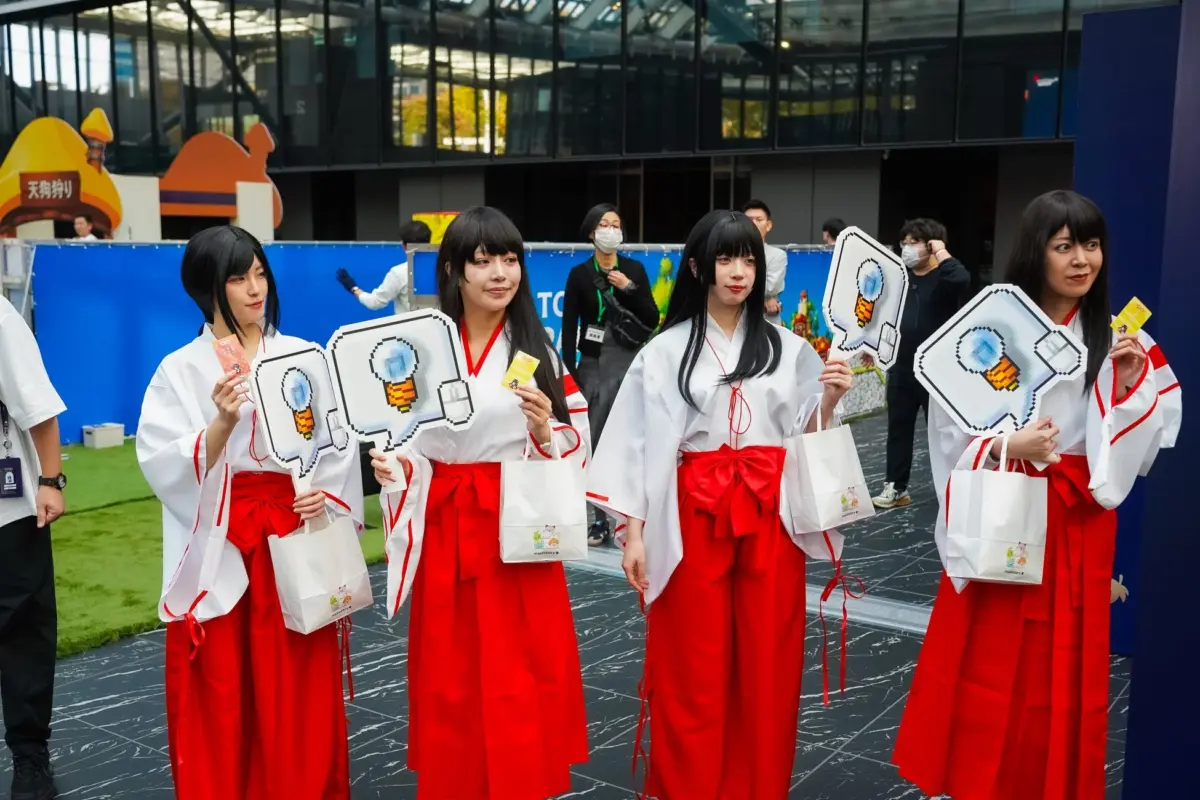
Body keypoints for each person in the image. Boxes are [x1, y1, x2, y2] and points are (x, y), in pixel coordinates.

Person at [892, 190, 1182, 799]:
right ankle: (979, 782)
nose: (1082, 260)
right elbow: (947, 426)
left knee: (1066, 666)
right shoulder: (990, 327)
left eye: (1092, 244)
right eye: (1064, 246)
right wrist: (1003, 446)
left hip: (1077, 517)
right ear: (1036, 252)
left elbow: (1153, 433)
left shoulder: (1119, 335)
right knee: (992, 658)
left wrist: (1127, 387)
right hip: (1007, 504)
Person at [587, 210, 853, 799]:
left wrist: (829, 399)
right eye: (727, 258)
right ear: (698, 266)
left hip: (768, 514)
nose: (739, 272)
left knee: (768, 666)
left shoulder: (788, 348)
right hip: (691, 514)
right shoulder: (665, 351)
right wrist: (633, 531)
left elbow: (805, 432)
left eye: (750, 259)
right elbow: (635, 443)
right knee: (692, 669)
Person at [136, 226, 363, 800]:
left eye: (259, 273)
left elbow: (333, 447)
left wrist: (323, 496)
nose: (254, 288)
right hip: (221, 546)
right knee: (221, 690)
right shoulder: (179, 370)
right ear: (207, 288)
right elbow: (161, 462)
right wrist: (220, 425)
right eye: (238, 278)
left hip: (292, 535)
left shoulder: (303, 355)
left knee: (297, 691)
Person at [369, 207, 590, 799]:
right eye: (483, 260)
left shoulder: (535, 349)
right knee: (451, 674)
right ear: (453, 270)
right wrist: (398, 468)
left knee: (521, 671)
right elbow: (405, 441)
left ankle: (521, 782)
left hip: (513, 527)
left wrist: (546, 432)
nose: (500, 273)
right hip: (446, 525)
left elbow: (577, 439)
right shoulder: (417, 348)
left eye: (510, 258)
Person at [559, 203, 659, 546]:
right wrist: (569, 373)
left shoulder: (635, 269)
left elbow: (651, 315)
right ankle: (599, 517)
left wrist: (629, 287)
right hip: (592, 363)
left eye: (616, 224)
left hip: (628, 359)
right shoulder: (579, 274)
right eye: (603, 224)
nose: (610, 230)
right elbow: (569, 325)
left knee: (632, 436)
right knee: (597, 439)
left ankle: (634, 515)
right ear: (592, 232)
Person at [0, 295, 66, 800]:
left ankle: (30, 758)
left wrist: (50, 479)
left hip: (8, 510)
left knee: (23, 632)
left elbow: (37, 404)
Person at [872, 218, 971, 508]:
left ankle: (953, 486)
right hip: (901, 367)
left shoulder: (945, 277)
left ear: (931, 245)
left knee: (943, 434)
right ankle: (896, 487)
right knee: (898, 428)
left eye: (914, 242)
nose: (907, 248)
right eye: (905, 242)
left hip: (936, 372)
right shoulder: (901, 278)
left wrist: (941, 253)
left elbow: (961, 278)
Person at [335, 219, 433, 314]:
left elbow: (375, 302)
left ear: (404, 245)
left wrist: (354, 288)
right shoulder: (444, 269)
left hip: (410, 329)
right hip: (439, 329)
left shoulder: (399, 273)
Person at [742, 199, 788, 326]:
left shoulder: (777, 255)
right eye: (749, 219)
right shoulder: (729, 253)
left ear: (768, 225)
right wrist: (763, 298)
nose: (754, 223)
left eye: (759, 219)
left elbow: (769, 287)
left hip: (766, 321)